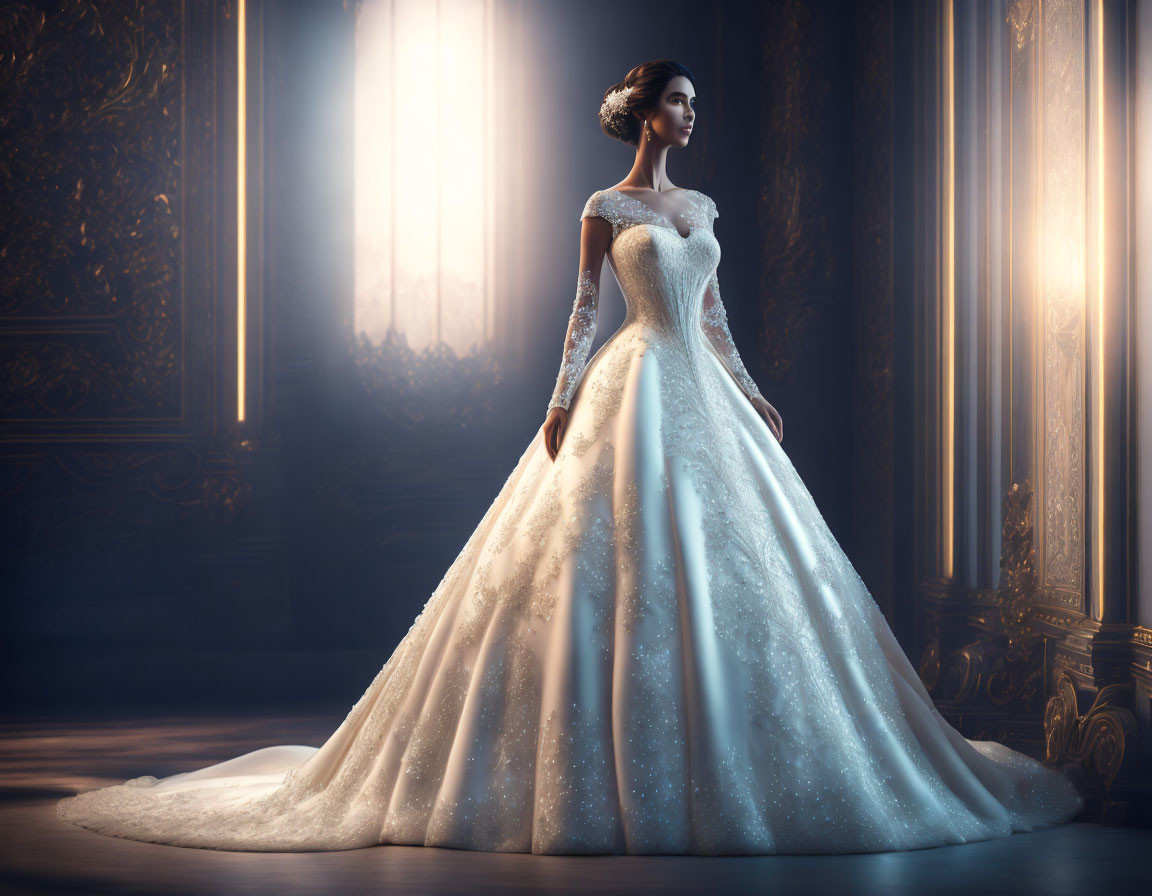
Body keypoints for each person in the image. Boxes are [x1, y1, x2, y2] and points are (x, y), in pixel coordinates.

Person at [57, 59, 1083, 855]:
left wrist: (754, 390)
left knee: (741, 571)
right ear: (646, 114)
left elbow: (715, 319)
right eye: (679, 104)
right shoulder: (607, 207)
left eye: (695, 106)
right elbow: (585, 313)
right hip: (629, 386)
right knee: (608, 567)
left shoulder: (702, 211)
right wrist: (558, 405)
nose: (692, 117)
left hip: (700, 391)